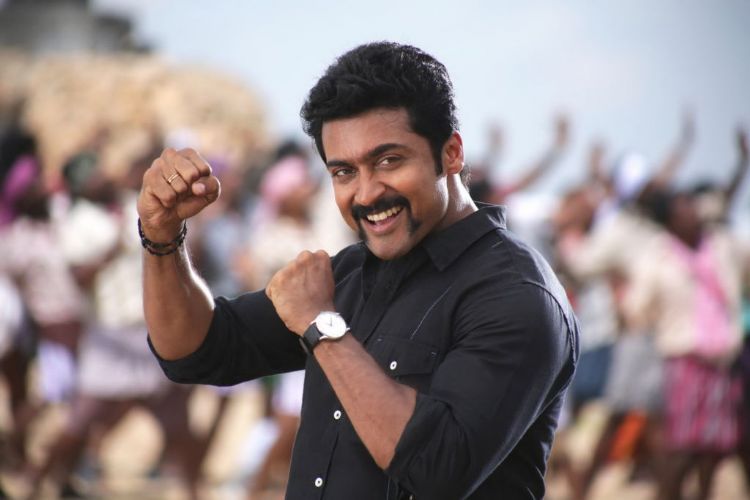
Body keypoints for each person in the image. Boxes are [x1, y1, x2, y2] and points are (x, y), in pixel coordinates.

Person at [138, 41, 579, 499]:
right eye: (344, 172)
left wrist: (322, 326)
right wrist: (162, 237)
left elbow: (438, 469)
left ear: (451, 153)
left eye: (388, 161)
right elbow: (195, 349)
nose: (366, 193)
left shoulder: (516, 293)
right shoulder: (348, 275)